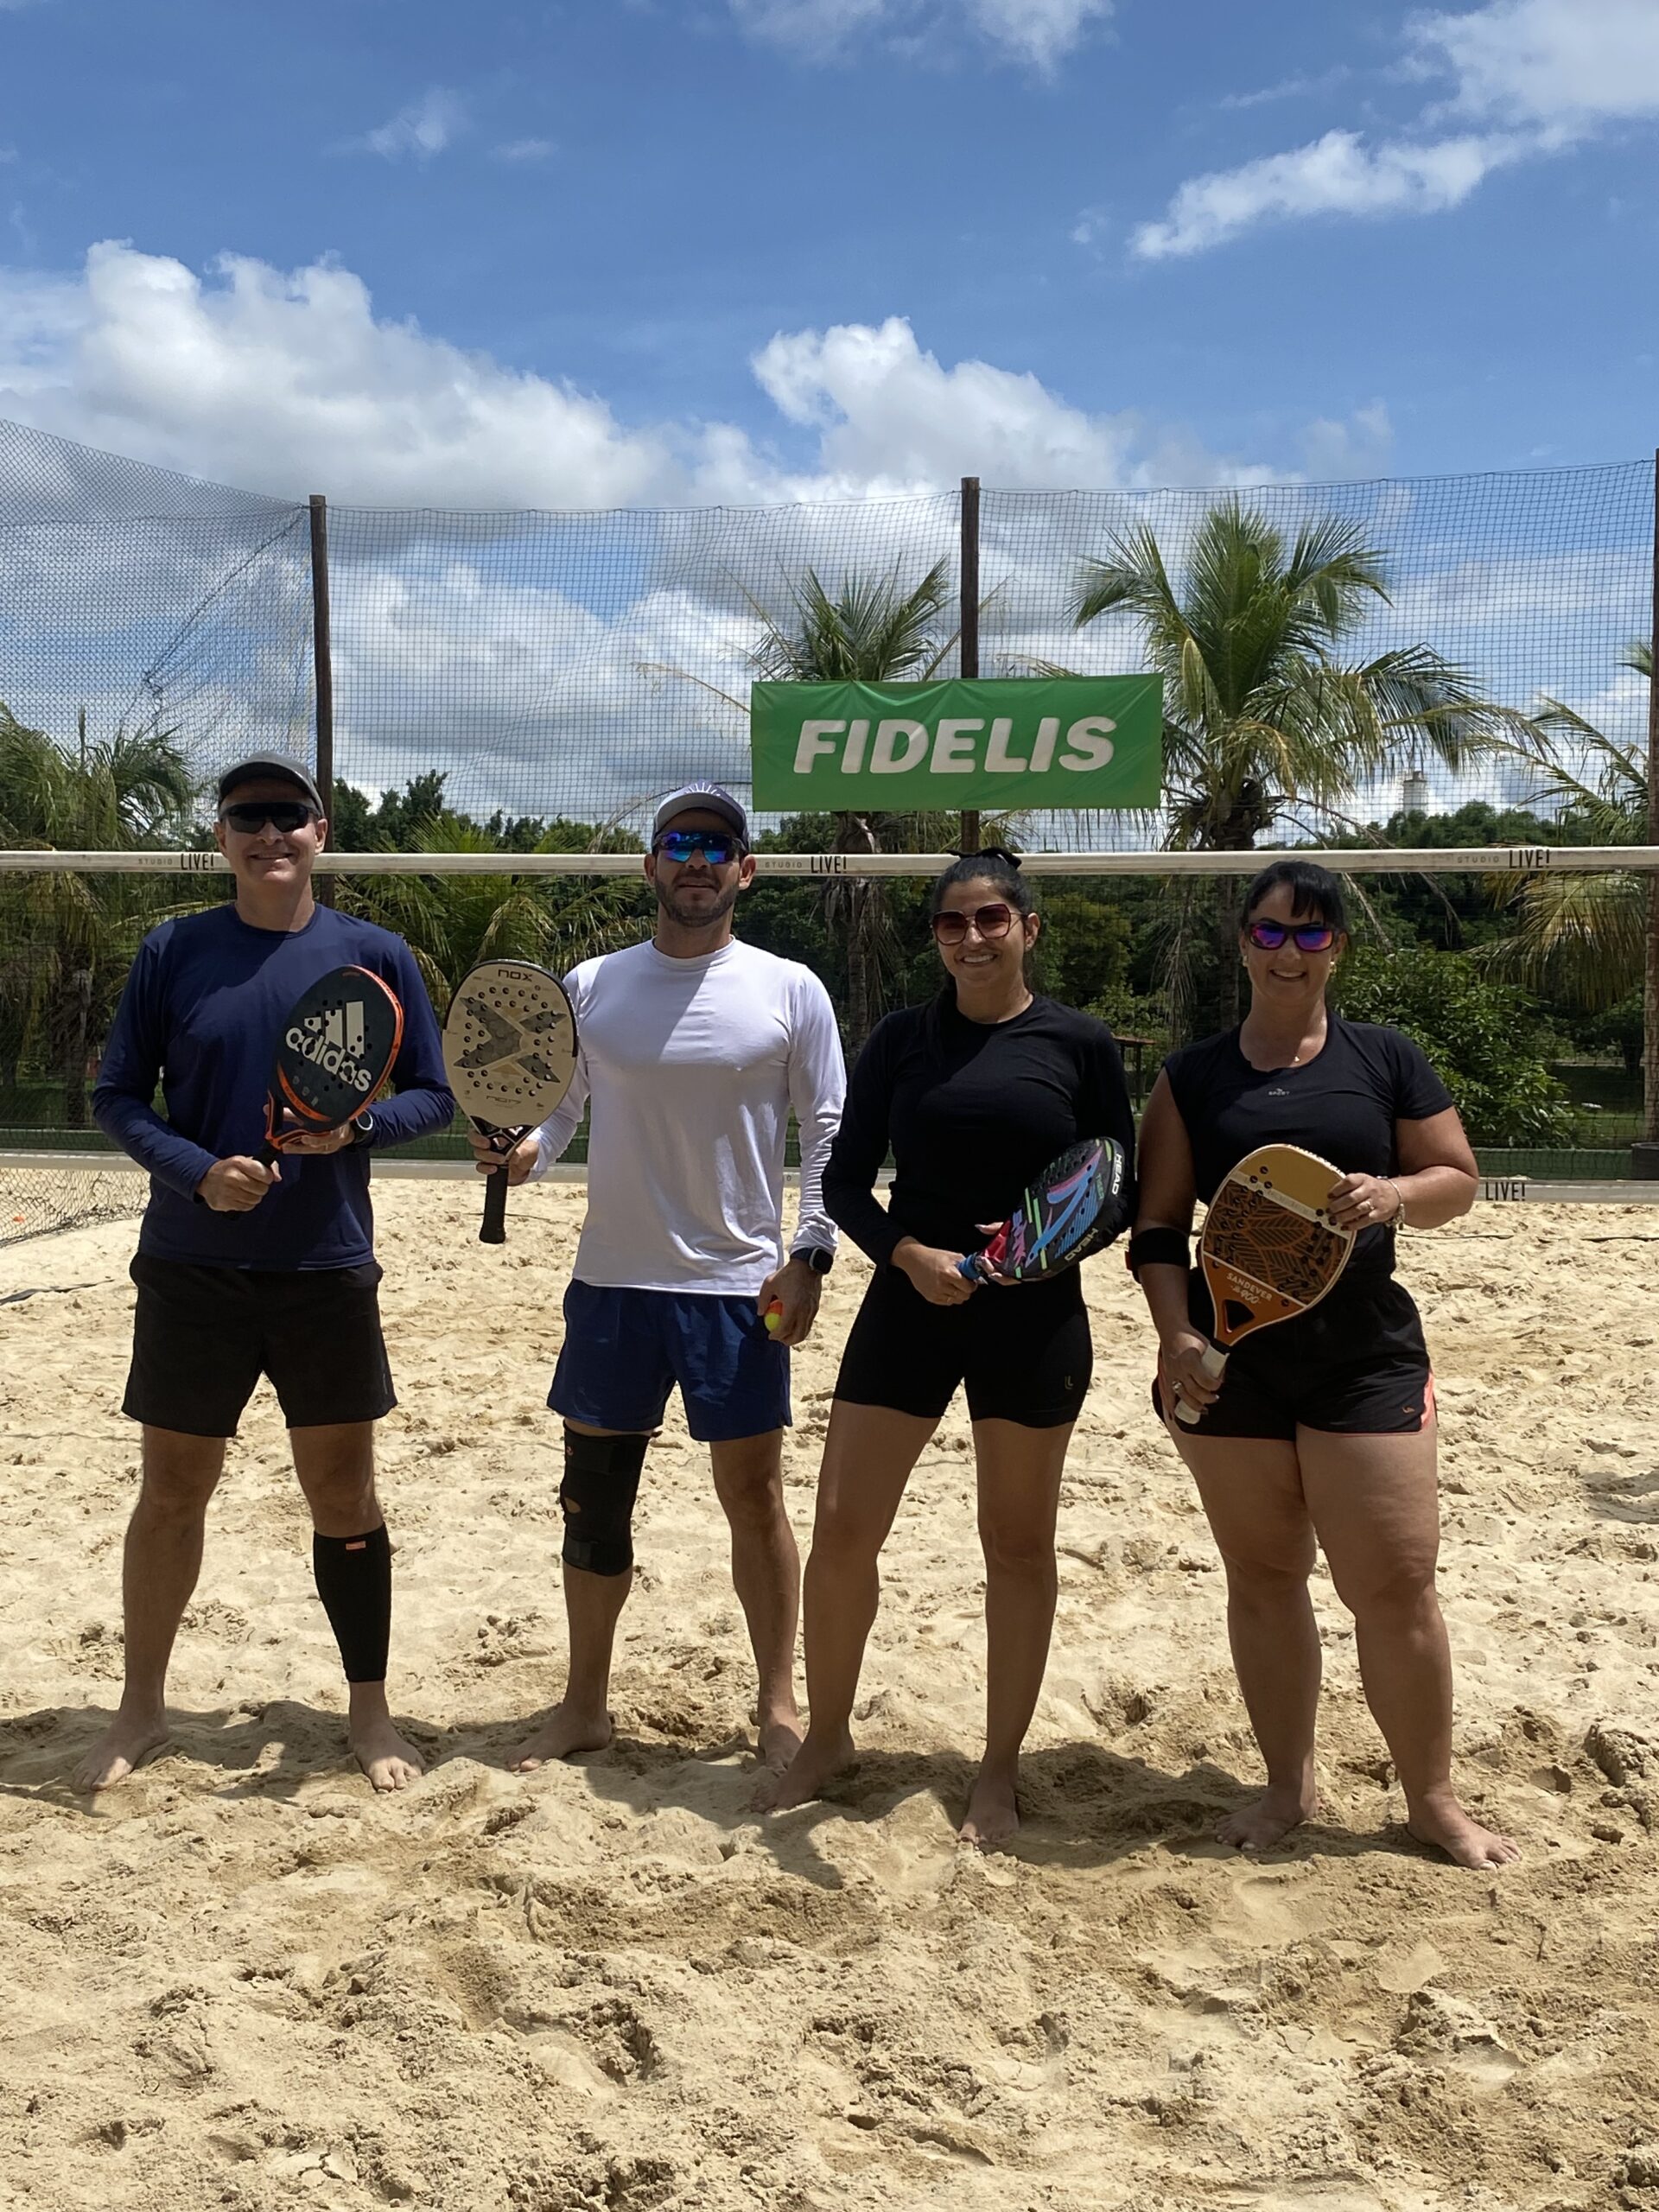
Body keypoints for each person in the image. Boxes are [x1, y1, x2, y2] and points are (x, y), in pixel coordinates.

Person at [74, 753, 454, 1795]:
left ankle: (369, 1712)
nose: (269, 831)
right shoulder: (175, 950)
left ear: (320, 832)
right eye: (247, 816)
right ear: (221, 837)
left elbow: (433, 1094)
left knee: (343, 1492)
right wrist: (198, 1172)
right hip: (192, 1266)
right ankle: (142, 1707)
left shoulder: (373, 955)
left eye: (288, 814)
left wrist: (356, 1129)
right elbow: (118, 1096)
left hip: (324, 1265)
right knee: (172, 1492)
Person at [1130, 859, 1518, 1871]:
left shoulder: (1385, 1057)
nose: (1288, 951)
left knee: (1393, 1585)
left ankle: (1432, 1801)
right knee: (1264, 1577)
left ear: (1337, 946)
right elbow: (1158, 1229)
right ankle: (1287, 1786)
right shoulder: (1192, 1076)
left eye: (1310, 932)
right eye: (1269, 930)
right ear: (1243, 942)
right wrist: (1176, 1336)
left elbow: (1457, 1179)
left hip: (1364, 1357)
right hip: (1231, 1362)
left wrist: (1395, 1195)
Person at [758, 849, 1136, 1847]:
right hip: (911, 1300)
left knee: (1016, 1545)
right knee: (845, 1530)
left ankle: (998, 1768)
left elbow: (1117, 1185)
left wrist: (1042, 1250)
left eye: (991, 918)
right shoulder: (901, 1039)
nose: (972, 937)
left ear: (1028, 928)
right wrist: (907, 1253)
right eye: (952, 922)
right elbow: (844, 1183)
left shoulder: (1080, 1042)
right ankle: (827, 1736)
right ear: (936, 937)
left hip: (1033, 1316)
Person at [474, 783, 844, 1773]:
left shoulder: (789, 989)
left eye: (717, 846)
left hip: (739, 1288)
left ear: (746, 871)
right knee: (593, 1503)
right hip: (614, 1282)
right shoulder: (593, 985)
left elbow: (828, 1133)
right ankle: (584, 1705)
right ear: (651, 864)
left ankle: (777, 1704)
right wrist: (526, 1156)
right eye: (680, 843)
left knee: (753, 1498)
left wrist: (810, 1253)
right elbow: (560, 1109)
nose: (696, 861)